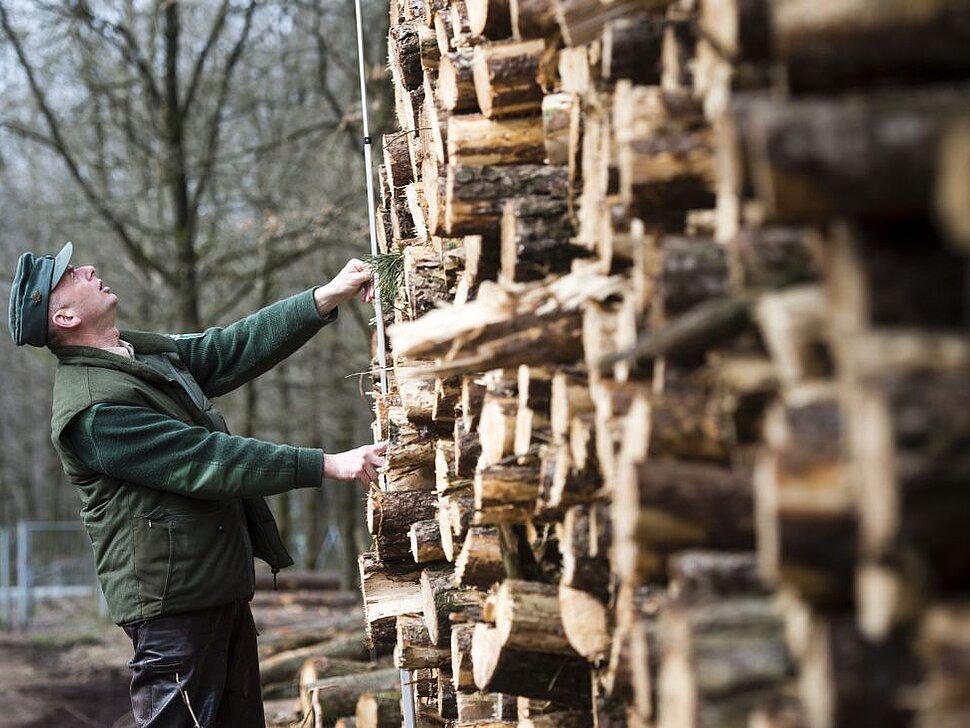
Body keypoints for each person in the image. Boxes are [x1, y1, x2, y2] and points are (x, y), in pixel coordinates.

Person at [7, 241, 387, 727]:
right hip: (172, 611)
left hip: (214, 589)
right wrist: (326, 464)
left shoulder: (137, 355)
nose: (88, 268)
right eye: (71, 275)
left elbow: (224, 350)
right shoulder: (92, 411)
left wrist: (325, 297)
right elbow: (205, 460)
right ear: (63, 318)